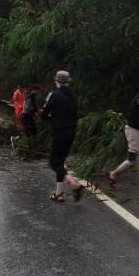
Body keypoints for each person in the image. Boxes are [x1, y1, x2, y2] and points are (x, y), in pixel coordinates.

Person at [41, 71, 84, 203]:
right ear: (68, 81)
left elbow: (44, 115)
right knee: (60, 163)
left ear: (57, 82)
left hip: (60, 132)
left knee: (54, 163)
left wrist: (50, 117)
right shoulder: (73, 95)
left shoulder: (55, 95)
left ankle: (75, 185)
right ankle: (58, 194)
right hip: (72, 132)